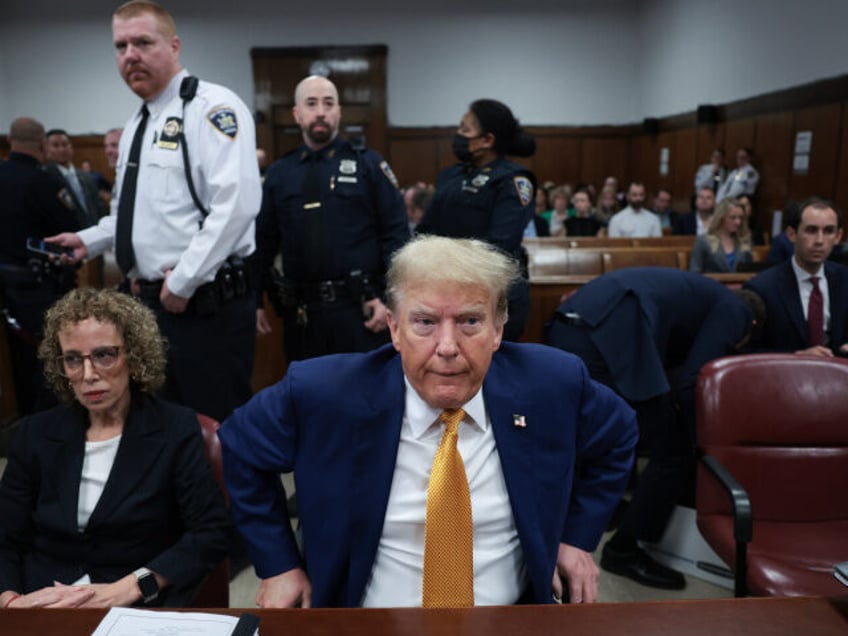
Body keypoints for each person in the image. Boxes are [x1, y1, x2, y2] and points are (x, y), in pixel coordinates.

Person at [220, 235, 638, 608]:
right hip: (365, 622)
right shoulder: (323, 391)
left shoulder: (553, 382)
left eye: (470, 321)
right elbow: (238, 446)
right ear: (394, 329)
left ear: (498, 329)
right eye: (425, 322)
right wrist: (277, 565)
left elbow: (619, 436)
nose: (447, 347)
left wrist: (576, 538)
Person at [48, 0, 261, 423]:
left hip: (201, 306)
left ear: (174, 46)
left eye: (143, 42)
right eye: (121, 46)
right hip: (149, 306)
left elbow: (236, 207)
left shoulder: (212, 108)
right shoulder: (137, 125)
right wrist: (88, 241)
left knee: (217, 432)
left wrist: (183, 281)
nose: (130, 55)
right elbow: (135, 216)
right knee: (165, 432)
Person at [0, 288, 229, 609]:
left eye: (104, 355)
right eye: (73, 359)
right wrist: (10, 603)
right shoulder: (35, 433)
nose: (89, 375)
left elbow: (211, 533)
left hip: (134, 605)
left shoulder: (174, 429)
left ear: (134, 356)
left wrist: (132, 586)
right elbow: (5, 537)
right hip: (39, 602)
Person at [547, 268, 764, 590]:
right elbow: (692, 382)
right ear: (753, 326)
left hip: (569, 326)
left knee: (604, 431)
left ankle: (605, 511)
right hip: (610, 336)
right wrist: (702, 442)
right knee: (674, 450)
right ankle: (624, 550)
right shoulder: (737, 311)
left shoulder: (700, 294)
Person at [254, 75, 409, 362]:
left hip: (362, 310)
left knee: (366, 400)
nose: (321, 111)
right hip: (301, 316)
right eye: (311, 104)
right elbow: (262, 243)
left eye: (329, 103)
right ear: (297, 114)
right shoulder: (280, 173)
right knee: (309, 400)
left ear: (338, 112)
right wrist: (256, 303)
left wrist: (390, 298)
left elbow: (396, 236)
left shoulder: (368, 164)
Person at [417, 98, 537, 341]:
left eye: (466, 129)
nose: (459, 135)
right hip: (446, 292)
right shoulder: (450, 176)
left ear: (487, 140)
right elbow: (425, 231)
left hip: (491, 295)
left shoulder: (513, 180)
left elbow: (499, 246)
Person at [0, 117, 79, 415]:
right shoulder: (45, 180)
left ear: (10, 140)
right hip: (38, 291)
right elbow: (71, 230)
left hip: (5, 292)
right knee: (47, 364)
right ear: (43, 144)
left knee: (13, 368)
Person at [745, 197, 848, 356]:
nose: (820, 241)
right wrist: (796, 357)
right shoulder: (762, 288)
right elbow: (746, 352)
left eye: (828, 231)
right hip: (784, 377)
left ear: (838, 236)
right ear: (792, 234)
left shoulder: (844, 279)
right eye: (811, 230)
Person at [45, 129, 102, 226]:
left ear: (71, 147)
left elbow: (97, 208)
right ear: (47, 149)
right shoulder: (45, 178)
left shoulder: (87, 177)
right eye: (56, 145)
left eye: (65, 144)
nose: (61, 149)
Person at [688, 198, 753, 273]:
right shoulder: (703, 242)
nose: (738, 222)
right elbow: (695, 273)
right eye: (732, 217)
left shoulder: (744, 241)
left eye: (740, 218)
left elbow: (749, 273)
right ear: (721, 218)